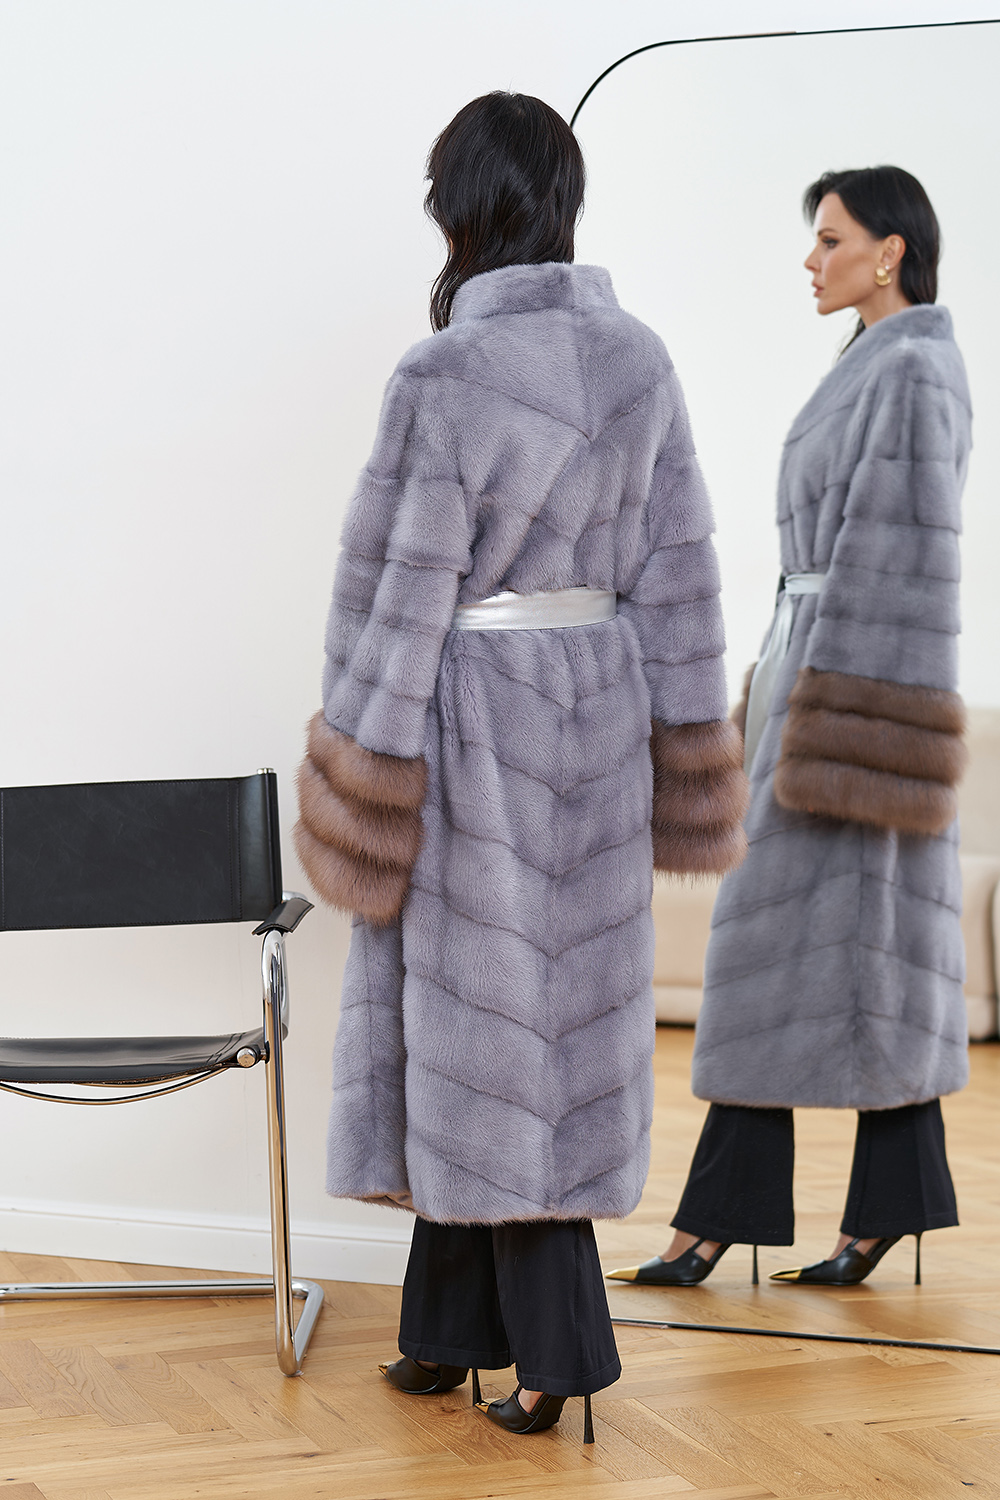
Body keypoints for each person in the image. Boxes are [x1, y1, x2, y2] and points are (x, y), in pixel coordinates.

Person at [295, 91, 748, 1439]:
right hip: (599, 714)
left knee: (484, 1030)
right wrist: (685, 748)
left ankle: (558, 1354)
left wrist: (362, 760)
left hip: (474, 718)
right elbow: (680, 575)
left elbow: (397, 592)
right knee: (529, 1036)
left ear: (464, 205)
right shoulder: (640, 359)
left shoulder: (443, 374)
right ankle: (445, 1334)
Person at [608, 165, 971, 1292]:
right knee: (854, 958)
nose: (811, 260)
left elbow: (906, 563)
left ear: (889, 251)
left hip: (852, 709)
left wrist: (850, 741)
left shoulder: (911, 370)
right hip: (814, 682)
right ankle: (881, 1205)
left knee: (787, 952)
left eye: (830, 239)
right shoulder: (876, 361)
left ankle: (717, 1219)